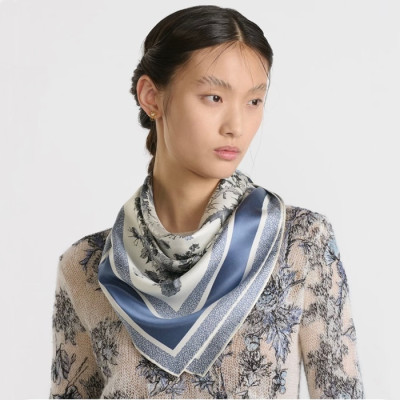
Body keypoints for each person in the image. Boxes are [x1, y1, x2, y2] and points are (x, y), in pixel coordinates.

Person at [50, 5, 364, 399]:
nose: (236, 125)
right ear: (151, 96)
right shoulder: (86, 265)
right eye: (214, 97)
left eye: (254, 101)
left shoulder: (300, 243)